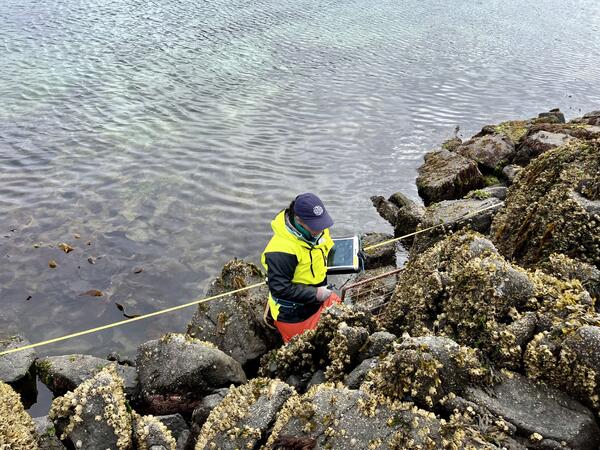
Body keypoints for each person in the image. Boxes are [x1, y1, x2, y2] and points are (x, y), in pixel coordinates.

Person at [261, 193, 342, 343]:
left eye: (322, 223)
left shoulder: (319, 230)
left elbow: (328, 247)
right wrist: (316, 294)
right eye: (315, 225)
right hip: (293, 313)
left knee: (344, 323)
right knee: (306, 347)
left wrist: (350, 256)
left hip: (321, 297)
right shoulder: (280, 250)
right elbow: (281, 289)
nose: (320, 229)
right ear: (299, 220)